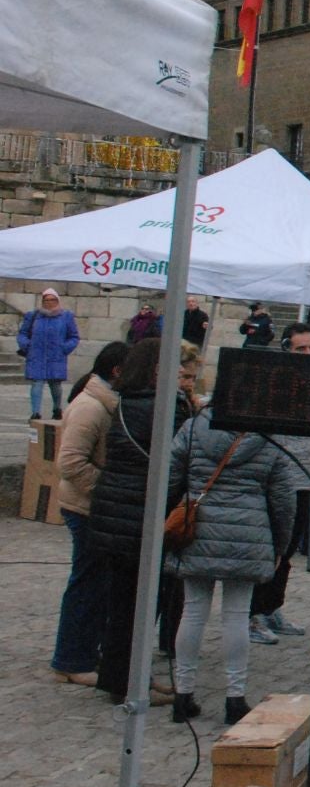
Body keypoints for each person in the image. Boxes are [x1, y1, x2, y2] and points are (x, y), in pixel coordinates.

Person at [165, 374, 299, 725]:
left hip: (198, 528)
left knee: (193, 612)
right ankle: (234, 697)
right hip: (249, 533)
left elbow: (169, 475)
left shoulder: (193, 429)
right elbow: (284, 500)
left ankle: (183, 693)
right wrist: (280, 546)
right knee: (237, 616)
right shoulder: (268, 438)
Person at [89, 338, 194, 707]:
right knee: (141, 604)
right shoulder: (164, 407)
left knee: (123, 602)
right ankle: (132, 682)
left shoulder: (124, 402)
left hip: (115, 508)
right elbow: (184, 456)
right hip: (142, 511)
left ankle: (120, 677)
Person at [48, 341, 131, 686]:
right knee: (86, 584)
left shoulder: (106, 403)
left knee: (98, 584)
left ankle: (84, 650)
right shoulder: (91, 407)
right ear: (117, 371)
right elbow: (70, 463)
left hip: (95, 506)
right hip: (85, 507)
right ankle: (71, 658)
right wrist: (108, 492)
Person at [249, 322, 310, 646]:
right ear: (286, 349)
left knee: (289, 550)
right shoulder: (273, 384)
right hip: (279, 480)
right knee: (272, 550)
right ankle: (253, 613)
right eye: (300, 348)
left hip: (306, 477)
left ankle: (272, 606)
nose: (307, 354)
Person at [18, 286, 80, 421]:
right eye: (46, 300)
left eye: (52, 300)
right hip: (37, 355)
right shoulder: (33, 316)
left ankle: (57, 409)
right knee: (36, 384)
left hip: (56, 356)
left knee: (55, 385)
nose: (49, 302)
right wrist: (26, 345)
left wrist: (65, 348)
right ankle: (35, 412)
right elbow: (23, 333)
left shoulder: (66, 317)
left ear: (57, 301)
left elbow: (74, 336)